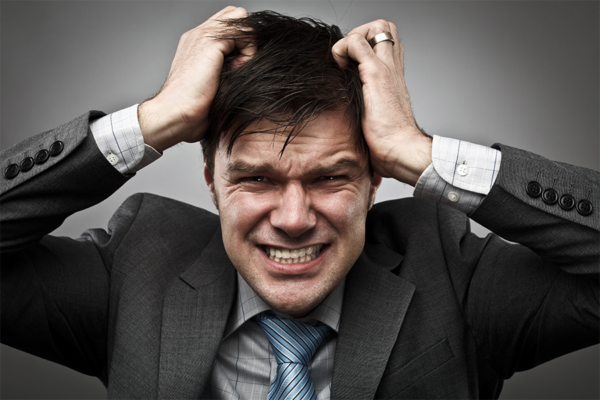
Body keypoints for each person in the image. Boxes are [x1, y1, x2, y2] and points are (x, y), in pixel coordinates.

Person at [1, 6, 598, 399]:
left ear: (377, 179)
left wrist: (421, 154)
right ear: (210, 175)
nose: (292, 219)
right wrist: (154, 121)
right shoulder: (136, 268)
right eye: (257, 179)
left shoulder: (451, 271)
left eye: (330, 178)